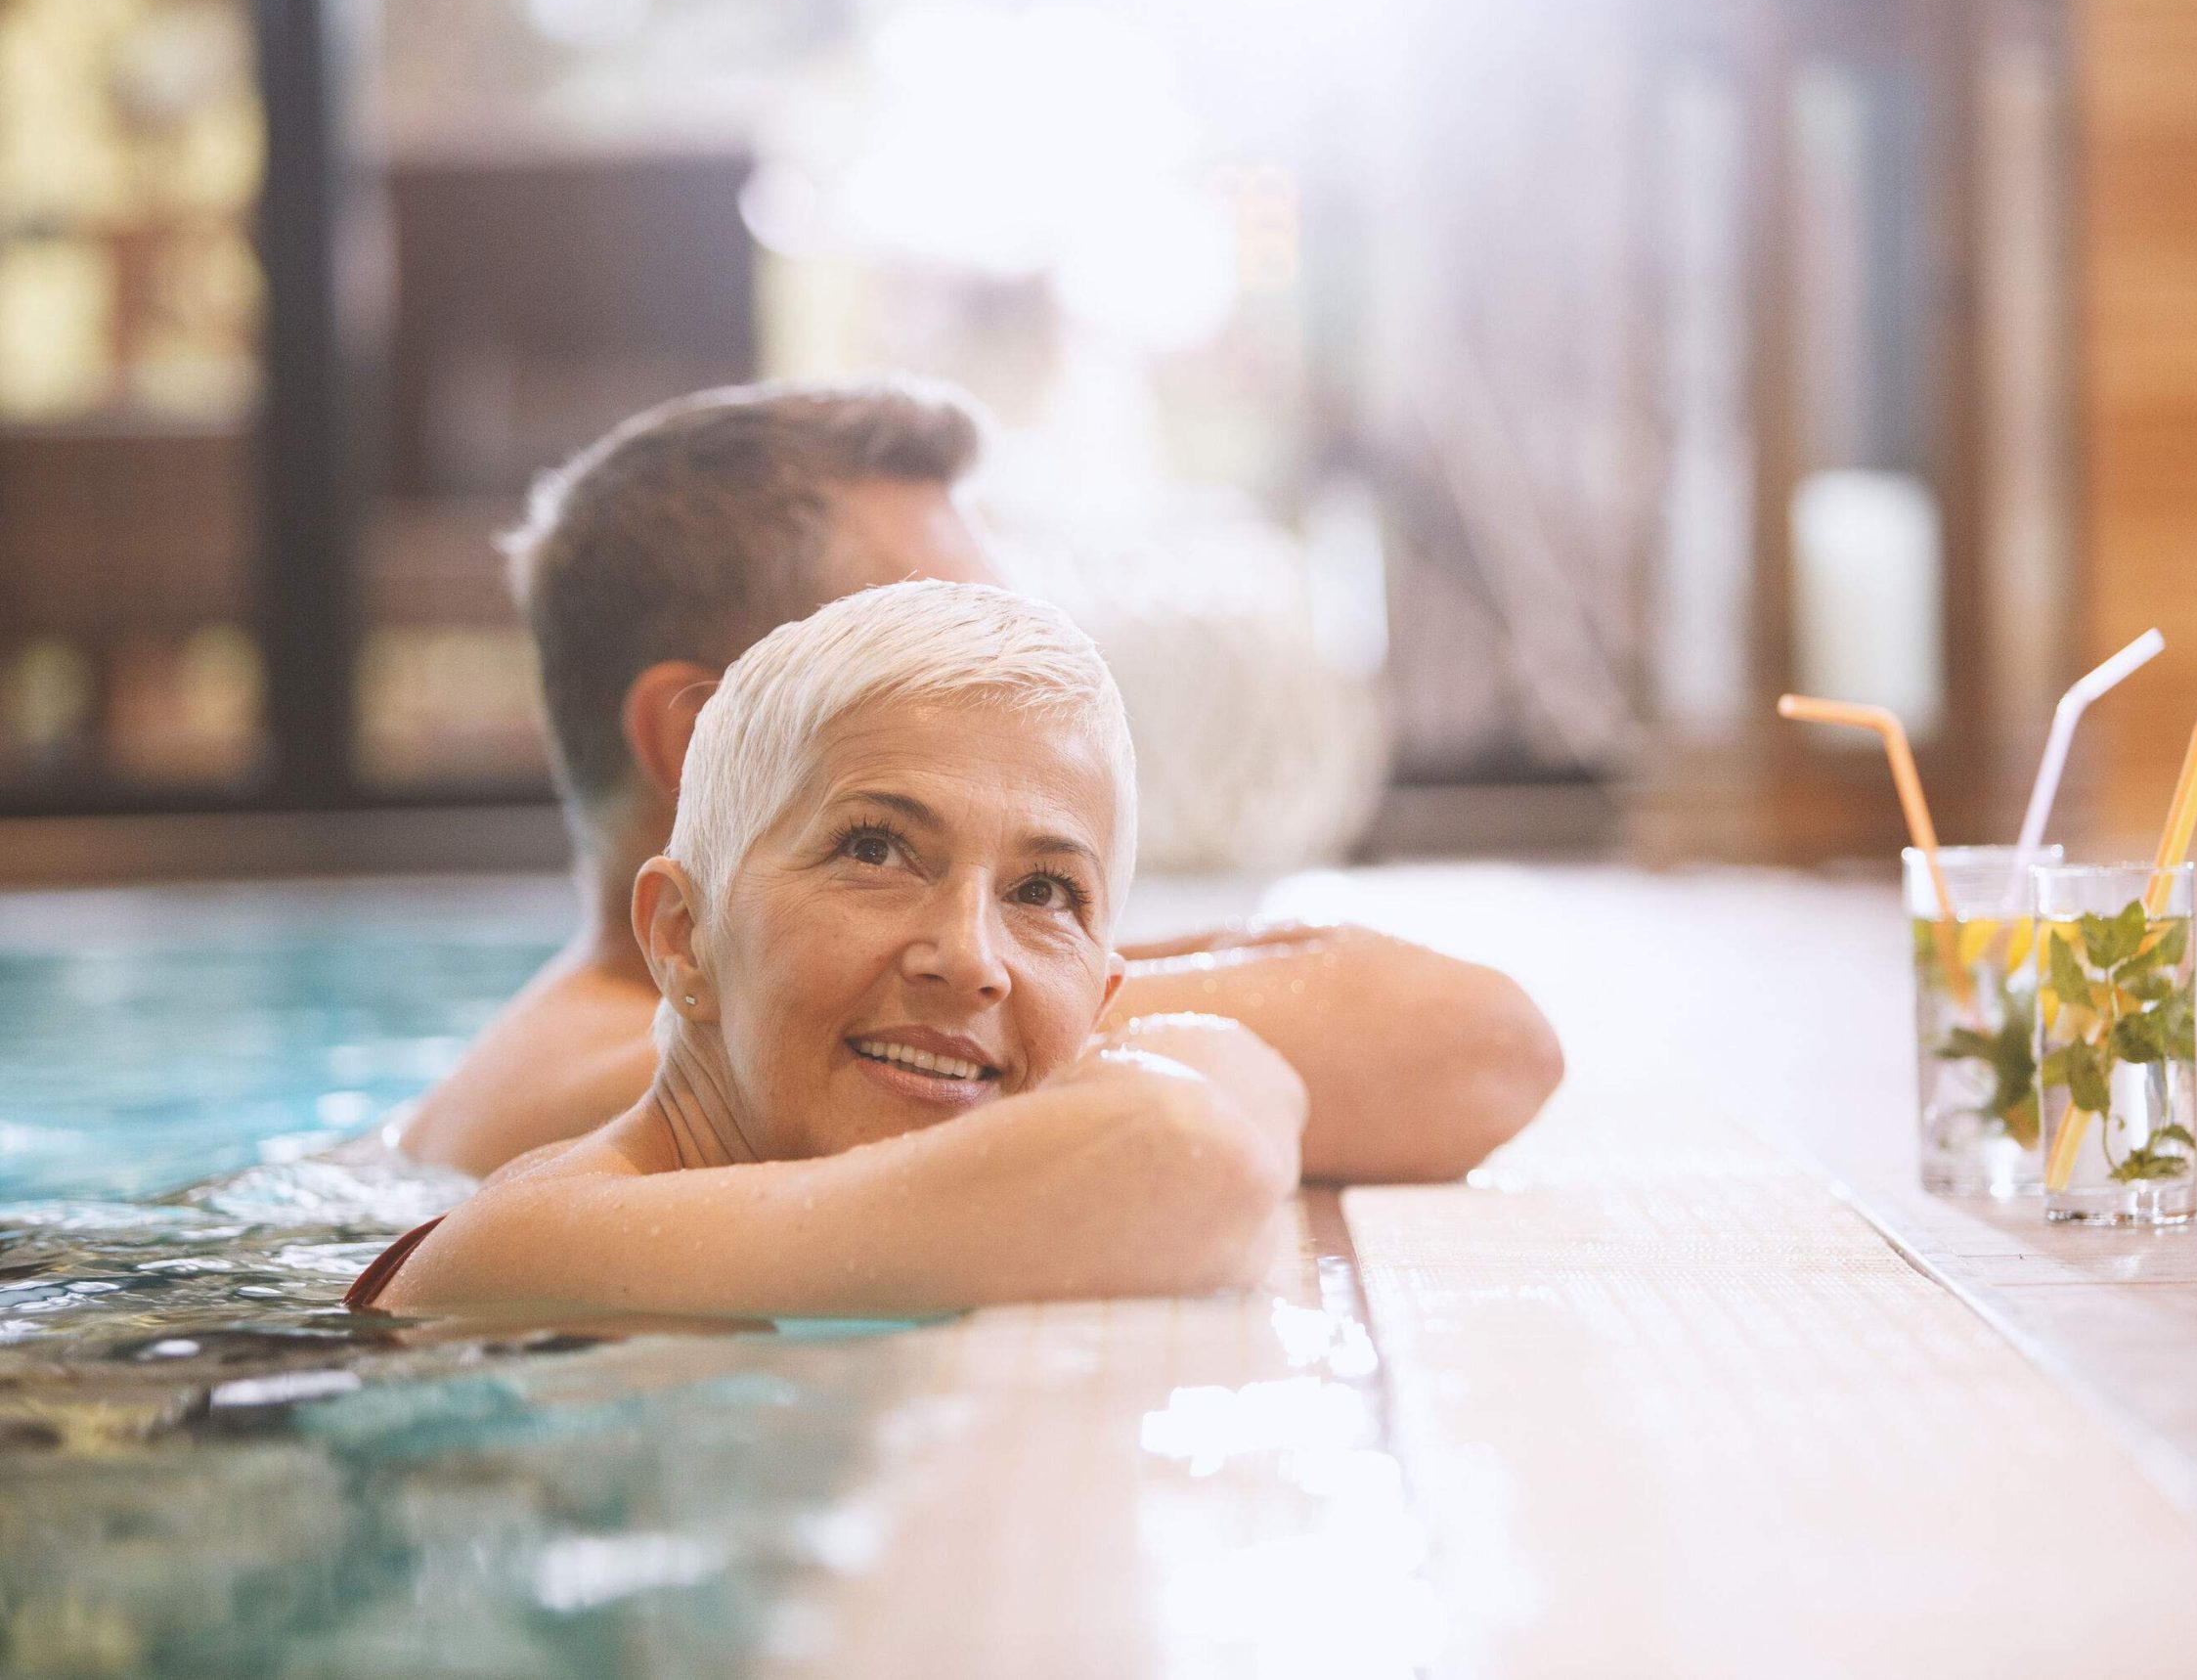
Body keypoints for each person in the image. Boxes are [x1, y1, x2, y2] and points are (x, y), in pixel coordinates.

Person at [386, 378, 1560, 1184]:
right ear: (699, 741)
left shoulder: (696, 1024)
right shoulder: (604, 1101)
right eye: (916, 631)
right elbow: (1466, 1046)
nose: (990, 679)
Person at [354, 583, 1305, 1317]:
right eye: (874, 850)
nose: (969, 957)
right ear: (681, 940)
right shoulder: (528, 1247)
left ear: (1102, 1002)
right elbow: (1185, 1157)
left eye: (1043, 891)